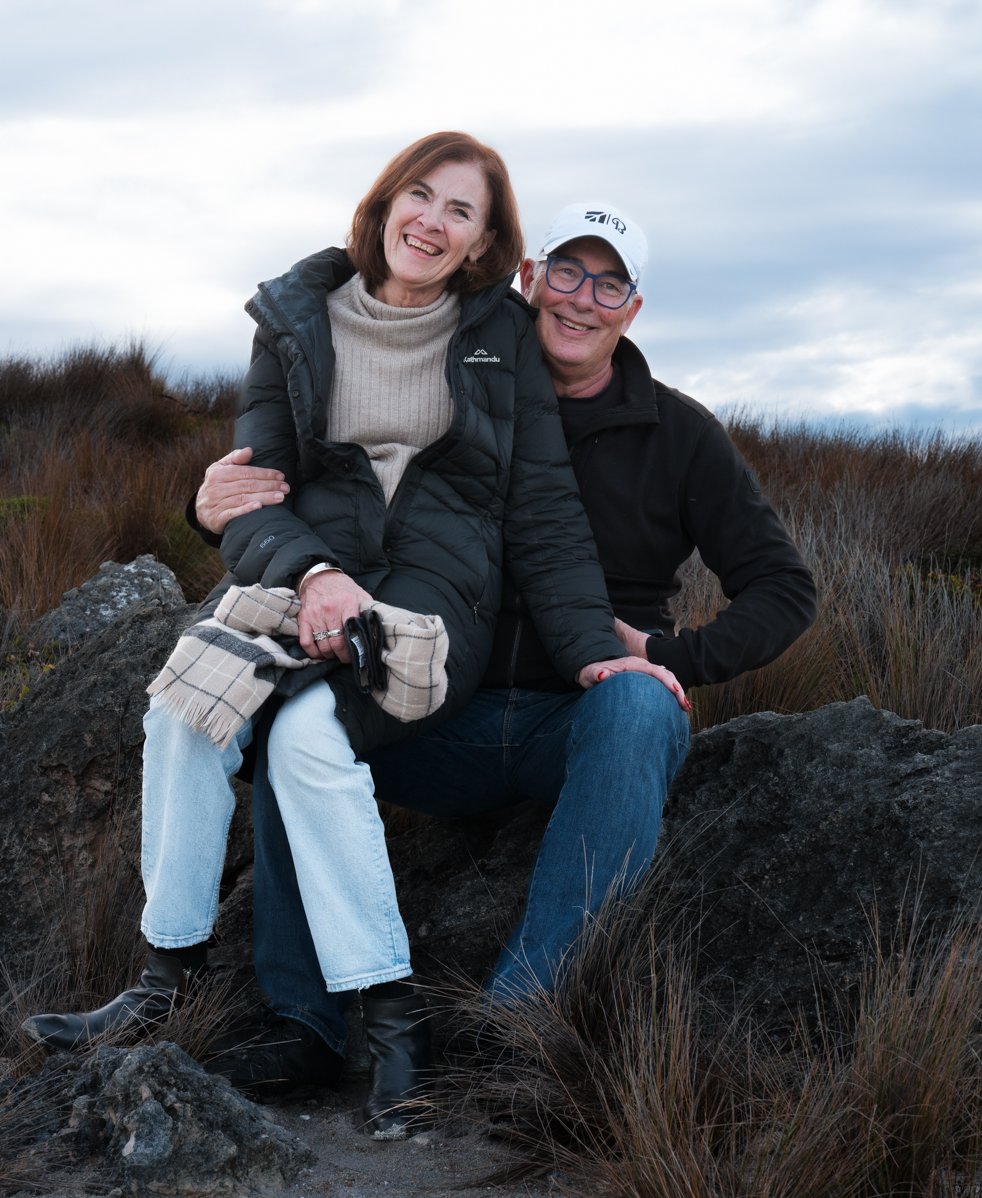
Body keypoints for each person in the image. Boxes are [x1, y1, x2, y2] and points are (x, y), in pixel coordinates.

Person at [21, 137, 685, 1139]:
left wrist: (596, 646)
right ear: (384, 203)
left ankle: (386, 1018)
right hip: (308, 583)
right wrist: (309, 570)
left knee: (304, 736)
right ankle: (166, 976)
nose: (433, 221)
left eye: (461, 211)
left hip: (434, 605)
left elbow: (545, 511)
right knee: (185, 708)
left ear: (483, 245)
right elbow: (248, 497)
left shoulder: (499, 335)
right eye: (421, 195)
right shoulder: (292, 320)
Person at [191, 201, 817, 1095]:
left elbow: (785, 589)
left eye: (610, 285)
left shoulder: (680, 436)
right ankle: (304, 1021)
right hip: (435, 708)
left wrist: (670, 657)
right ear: (528, 279)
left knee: (640, 706)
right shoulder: (450, 392)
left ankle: (518, 1020)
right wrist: (207, 506)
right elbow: (309, 488)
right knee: (302, 718)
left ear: (633, 309)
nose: (583, 299)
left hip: (581, 722)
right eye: (566, 271)